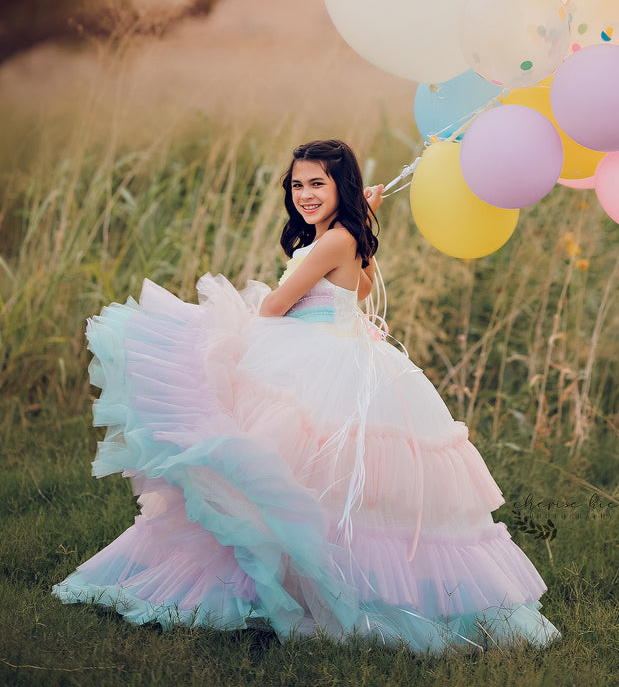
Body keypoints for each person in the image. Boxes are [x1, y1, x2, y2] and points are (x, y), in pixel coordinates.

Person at [52, 138, 560, 654]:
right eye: (298, 184)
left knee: (277, 464)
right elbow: (357, 291)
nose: (305, 194)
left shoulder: (333, 242)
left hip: (320, 358)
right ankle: (273, 583)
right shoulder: (337, 239)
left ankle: (298, 587)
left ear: (344, 187)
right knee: (282, 476)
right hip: (329, 349)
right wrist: (359, 219)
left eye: (318, 183)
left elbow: (274, 306)